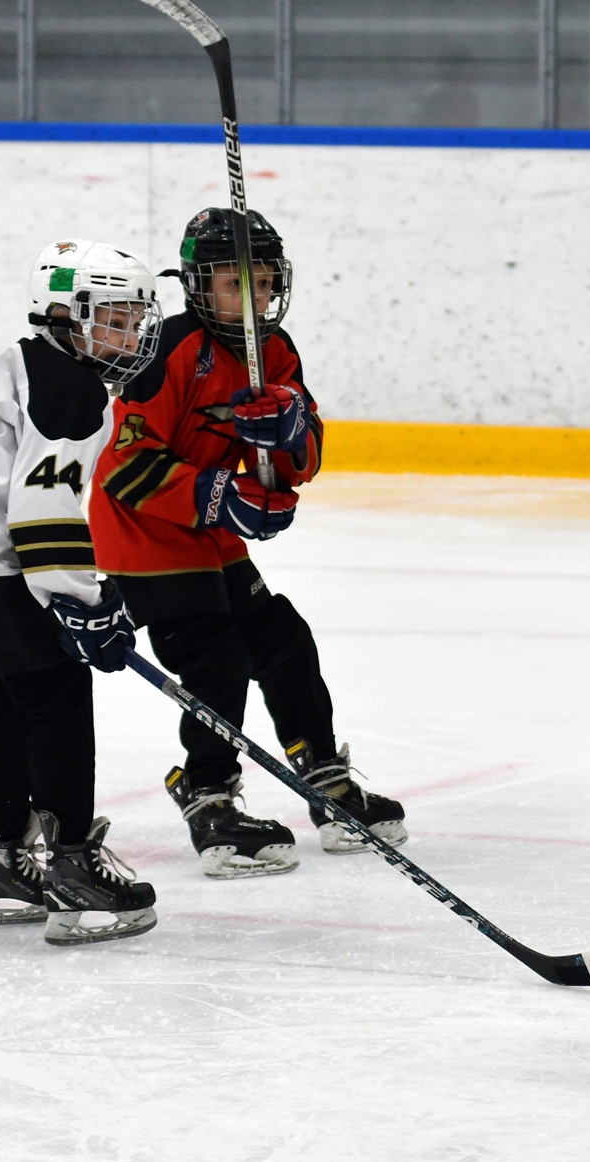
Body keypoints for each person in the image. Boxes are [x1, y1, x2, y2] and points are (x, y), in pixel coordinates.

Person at [88, 207, 404, 879]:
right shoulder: (169, 349)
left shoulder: (276, 350)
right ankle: (209, 798)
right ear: (199, 286)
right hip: (140, 534)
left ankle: (326, 778)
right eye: (237, 283)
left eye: (262, 282)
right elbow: (122, 465)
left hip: (207, 538)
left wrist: (288, 436)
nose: (254, 297)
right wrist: (220, 496)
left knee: (285, 639)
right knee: (217, 662)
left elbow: (307, 455)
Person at [0, 239, 159, 945]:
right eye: (113, 317)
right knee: (56, 693)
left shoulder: (21, 364)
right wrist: (84, 600)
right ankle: (75, 867)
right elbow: (41, 511)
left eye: (135, 318)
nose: (131, 333)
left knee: (9, 698)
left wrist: (79, 593)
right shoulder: (70, 383)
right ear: (63, 313)